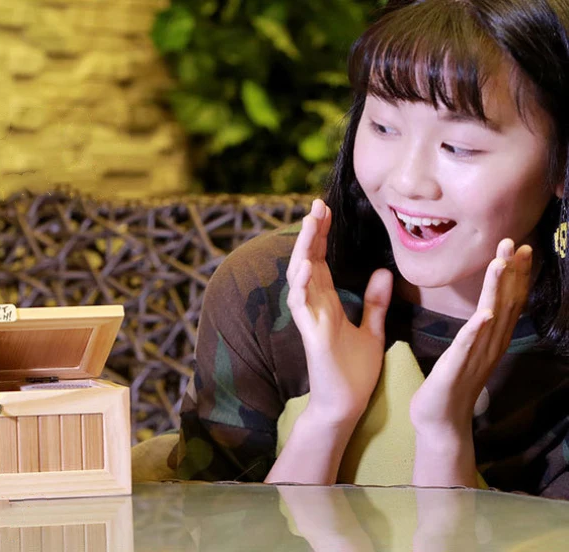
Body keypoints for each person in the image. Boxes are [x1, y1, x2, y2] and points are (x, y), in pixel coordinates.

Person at [176, 0, 569, 499]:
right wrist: (327, 416)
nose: (406, 180)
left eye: (460, 147)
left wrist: (444, 436)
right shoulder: (274, 289)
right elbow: (206, 526)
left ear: (561, 164)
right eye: (383, 127)